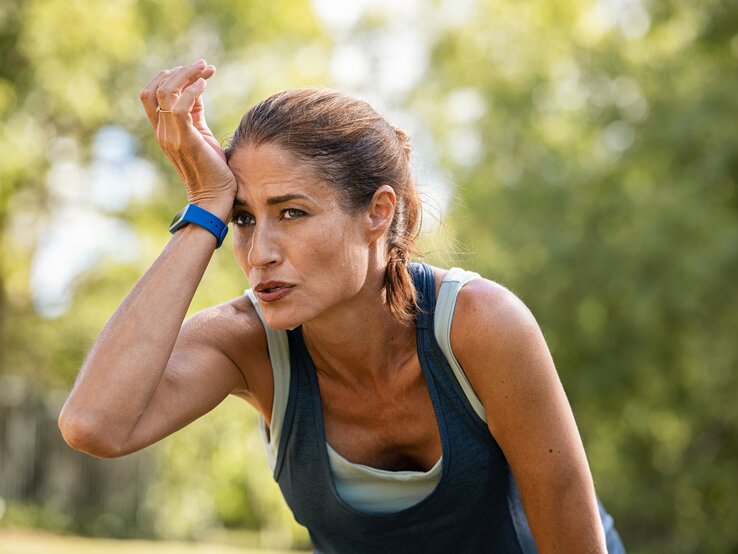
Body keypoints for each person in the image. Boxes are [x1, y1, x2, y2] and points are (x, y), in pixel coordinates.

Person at [59, 59, 625, 553]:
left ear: (378, 212)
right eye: (244, 218)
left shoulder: (480, 326)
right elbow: (94, 425)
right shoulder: (248, 344)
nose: (260, 253)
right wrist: (205, 207)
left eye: (292, 213)